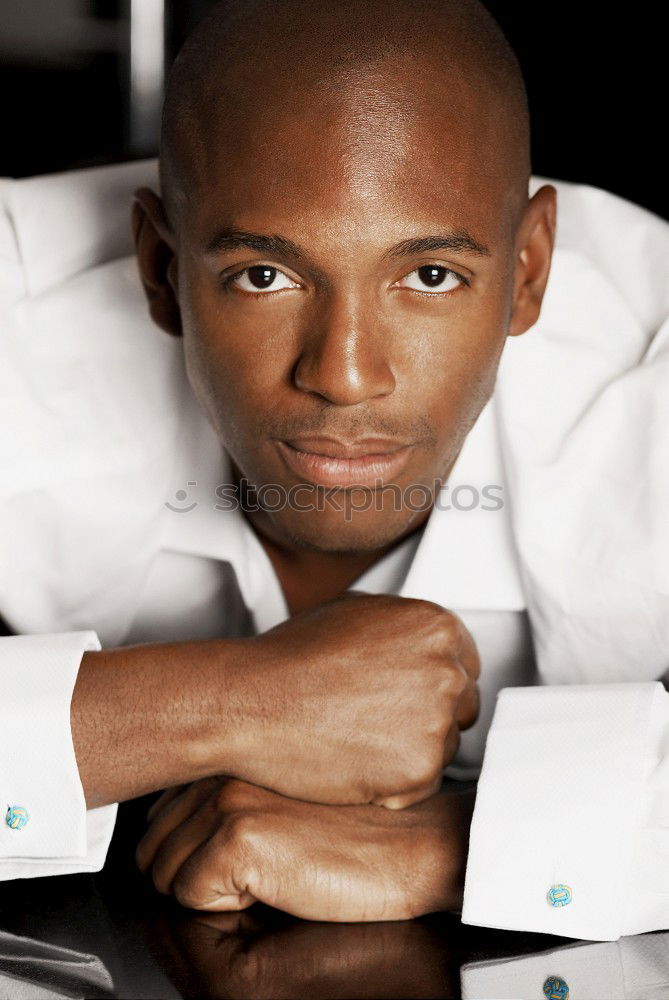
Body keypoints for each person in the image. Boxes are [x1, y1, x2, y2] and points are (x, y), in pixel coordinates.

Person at [0, 0, 667, 942]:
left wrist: (466, 845)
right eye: (264, 277)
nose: (344, 376)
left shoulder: (652, 378)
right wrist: (220, 704)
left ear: (526, 270)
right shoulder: (12, 304)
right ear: (159, 269)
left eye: (430, 275)